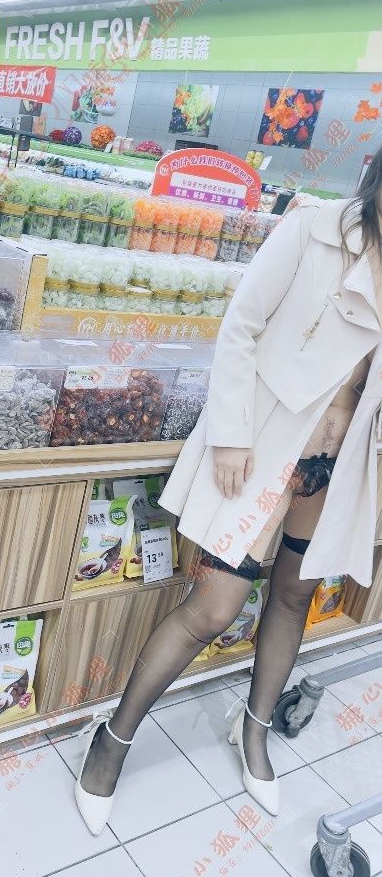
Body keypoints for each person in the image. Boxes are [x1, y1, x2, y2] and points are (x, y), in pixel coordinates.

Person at [75, 160, 382, 835]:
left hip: (340, 463)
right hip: (265, 448)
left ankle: (255, 731)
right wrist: (230, 435)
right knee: (211, 610)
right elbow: (241, 325)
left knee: (293, 599)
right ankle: (113, 740)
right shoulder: (312, 230)